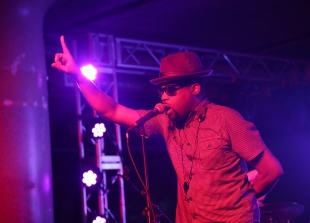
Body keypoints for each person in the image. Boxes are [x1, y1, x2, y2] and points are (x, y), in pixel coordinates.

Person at [52, 35, 284, 223]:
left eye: (171, 90)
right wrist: (77, 76)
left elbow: (272, 171)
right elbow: (112, 110)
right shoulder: (165, 121)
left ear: (194, 89)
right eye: (161, 91)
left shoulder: (227, 120)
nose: (163, 96)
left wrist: (241, 203)